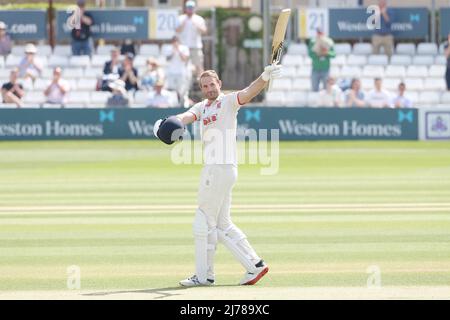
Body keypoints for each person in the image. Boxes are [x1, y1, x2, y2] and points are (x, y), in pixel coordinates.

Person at [153, 63, 282, 287]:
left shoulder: (228, 101)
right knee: (223, 223)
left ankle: (204, 276)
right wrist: (168, 123)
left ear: (219, 84)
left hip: (219, 168)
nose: (209, 88)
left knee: (203, 221)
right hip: (222, 170)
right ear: (202, 88)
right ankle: (255, 265)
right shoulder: (202, 106)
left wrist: (264, 77)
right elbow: (186, 116)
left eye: (212, 84)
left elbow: (249, 91)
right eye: (205, 86)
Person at [175, 0, 207, 79]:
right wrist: (184, 23)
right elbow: (177, 30)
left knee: (199, 66)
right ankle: (184, 86)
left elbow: (204, 31)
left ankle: (201, 85)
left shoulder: (199, 19)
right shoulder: (181, 18)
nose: (190, 10)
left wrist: (196, 25)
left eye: (191, 8)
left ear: (194, 8)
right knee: (183, 67)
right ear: (185, 9)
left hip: (196, 47)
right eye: (188, 8)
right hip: (184, 47)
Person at [165, 36, 191, 107]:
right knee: (172, 91)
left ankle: (181, 105)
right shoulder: (168, 48)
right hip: (171, 73)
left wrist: (178, 51)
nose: (175, 43)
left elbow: (184, 59)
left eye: (176, 41)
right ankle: (173, 105)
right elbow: (167, 59)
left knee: (181, 91)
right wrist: (173, 52)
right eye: (173, 41)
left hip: (181, 73)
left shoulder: (184, 48)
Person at [308, 27, 336, 92]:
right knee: (314, 89)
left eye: (321, 33)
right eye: (318, 33)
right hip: (315, 69)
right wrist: (317, 54)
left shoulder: (329, 41)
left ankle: (325, 102)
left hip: (325, 69)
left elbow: (334, 54)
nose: (319, 34)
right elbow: (310, 54)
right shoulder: (312, 42)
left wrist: (326, 53)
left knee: (326, 89)